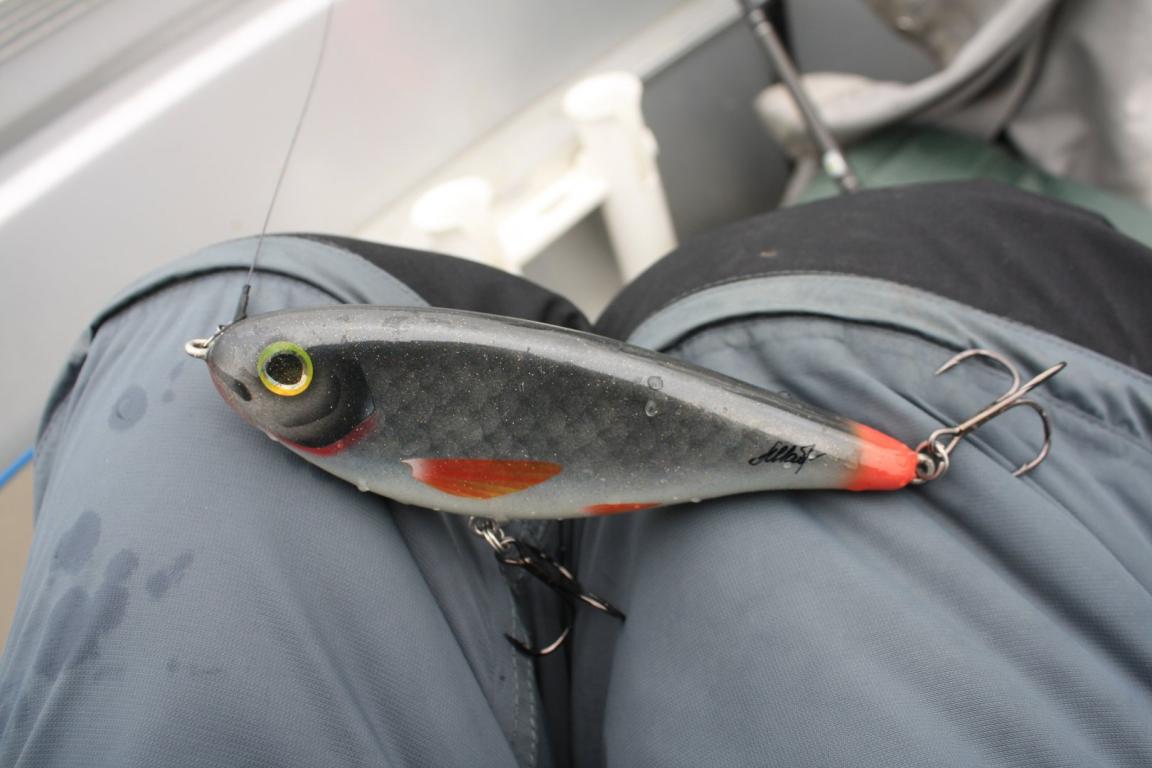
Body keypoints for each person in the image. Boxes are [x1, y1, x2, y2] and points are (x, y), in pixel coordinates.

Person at [2, 181, 1150, 767]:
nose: (241, 376)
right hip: (863, 307)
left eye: (283, 373)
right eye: (279, 375)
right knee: (740, 325)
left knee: (200, 307)